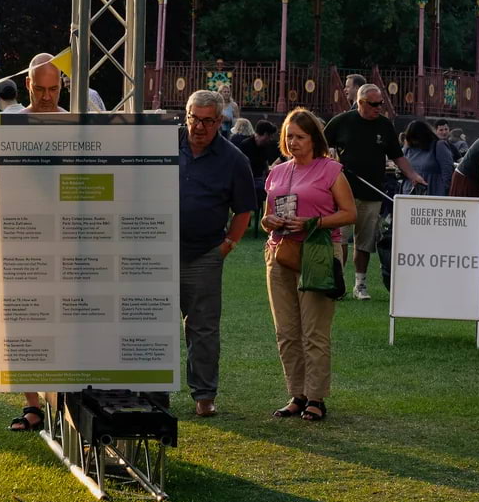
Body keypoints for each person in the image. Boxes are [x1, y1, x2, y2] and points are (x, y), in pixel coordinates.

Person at [260, 108, 356, 423]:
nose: (294, 142)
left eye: (300, 136)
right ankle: (297, 394)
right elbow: (265, 217)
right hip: (280, 252)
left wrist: (312, 222)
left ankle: (316, 398)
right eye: (289, 136)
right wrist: (268, 220)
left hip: (318, 252)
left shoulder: (330, 170)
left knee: (314, 331)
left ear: (314, 139)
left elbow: (349, 213)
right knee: (286, 331)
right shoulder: (277, 172)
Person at [176, 89, 257, 419]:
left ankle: (204, 394)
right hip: (156, 252)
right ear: (187, 115)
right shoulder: (162, 145)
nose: (200, 127)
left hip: (205, 254)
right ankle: (153, 392)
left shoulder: (234, 159)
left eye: (209, 121)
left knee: (204, 328)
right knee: (151, 323)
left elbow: (244, 210)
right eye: (195, 119)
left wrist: (227, 246)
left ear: (221, 122)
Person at [7, 58, 70, 431]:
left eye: (54, 90)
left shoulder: (75, 124)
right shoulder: (10, 125)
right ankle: (32, 405)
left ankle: (62, 402)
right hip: (20, 237)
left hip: (64, 237)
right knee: (21, 324)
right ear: (27, 85)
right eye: (40, 89)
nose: (47, 97)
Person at [325, 83, 421, 300]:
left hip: (373, 191)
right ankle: (337, 283)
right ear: (360, 103)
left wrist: (413, 175)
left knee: (365, 242)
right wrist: (329, 157)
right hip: (343, 192)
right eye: (374, 104)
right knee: (340, 240)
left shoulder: (385, 125)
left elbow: (398, 156)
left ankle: (360, 284)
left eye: (381, 103)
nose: (379, 107)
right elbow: (321, 145)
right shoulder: (341, 122)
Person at [402, 118, 457, 198]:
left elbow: (447, 170)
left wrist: (444, 191)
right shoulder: (408, 148)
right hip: (409, 192)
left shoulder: (439, 145)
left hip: (433, 192)